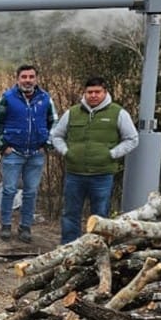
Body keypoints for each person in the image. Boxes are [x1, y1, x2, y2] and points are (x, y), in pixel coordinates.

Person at [50, 77, 139, 245]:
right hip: (74, 174)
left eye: (97, 92)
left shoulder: (118, 113)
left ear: (105, 92)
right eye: (89, 92)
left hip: (102, 174)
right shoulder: (73, 112)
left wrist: (111, 154)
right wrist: (66, 151)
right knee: (70, 213)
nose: (93, 95)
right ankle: (69, 246)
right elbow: (56, 135)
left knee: (100, 214)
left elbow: (132, 139)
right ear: (85, 93)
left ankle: (97, 246)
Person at [0, 64, 58, 243]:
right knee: (9, 190)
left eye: (31, 77)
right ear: (18, 79)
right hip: (13, 152)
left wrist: (47, 145)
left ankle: (25, 227)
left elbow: (55, 123)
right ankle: (5, 225)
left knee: (31, 191)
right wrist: (3, 146)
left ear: (36, 79)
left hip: (36, 153)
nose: (27, 80)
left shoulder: (45, 99)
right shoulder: (7, 98)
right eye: (24, 77)